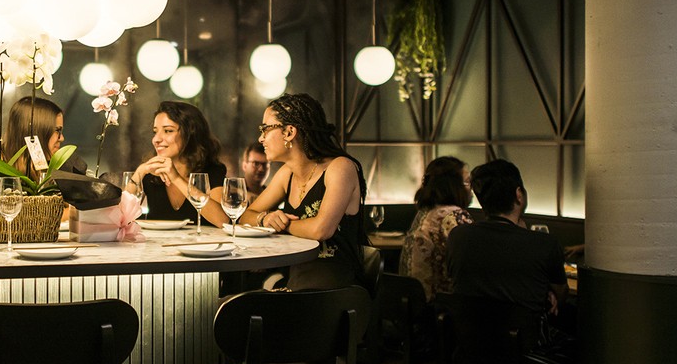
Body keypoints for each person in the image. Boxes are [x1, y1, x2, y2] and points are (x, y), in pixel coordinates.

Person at [241, 93, 368, 290]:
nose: (261, 138)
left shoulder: (340, 167)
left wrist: (282, 224)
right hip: (297, 286)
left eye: (265, 129)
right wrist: (265, 219)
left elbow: (321, 230)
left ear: (289, 132)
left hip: (336, 293)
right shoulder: (287, 174)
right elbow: (245, 216)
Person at [446, 159, 567, 315]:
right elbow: (561, 293)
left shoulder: (458, 236)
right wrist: (547, 292)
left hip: (467, 329)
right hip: (524, 330)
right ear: (519, 194)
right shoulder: (545, 244)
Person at [0, 97, 85, 230]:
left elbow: (85, 209)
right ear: (38, 131)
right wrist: (54, 215)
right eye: (57, 131)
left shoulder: (62, 167)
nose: (62, 138)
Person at [123, 101, 229, 226]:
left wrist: (176, 178)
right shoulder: (152, 172)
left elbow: (222, 221)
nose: (156, 139)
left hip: (201, 239)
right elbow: (121, 216)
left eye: (168, 131)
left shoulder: (212, 169)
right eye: (155, 132)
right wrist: (140, 172)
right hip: (155, 240)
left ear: (191, 133)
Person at [399, 156, 474, 301]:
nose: (471, 189)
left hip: (412, 304)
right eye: (467, 182)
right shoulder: (454, 216)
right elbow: (473, 262)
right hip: (438, 306)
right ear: (453, 186)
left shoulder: (425, 213)